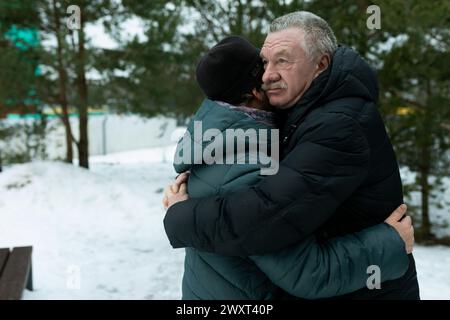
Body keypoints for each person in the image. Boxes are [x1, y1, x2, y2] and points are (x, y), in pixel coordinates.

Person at [164, 12, 421, 299]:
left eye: (283, 60)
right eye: (265, 62)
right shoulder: (290, 113)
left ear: (321, 64)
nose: (267, 74)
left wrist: (181, 215)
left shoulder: (338, 124)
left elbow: (266, 216)